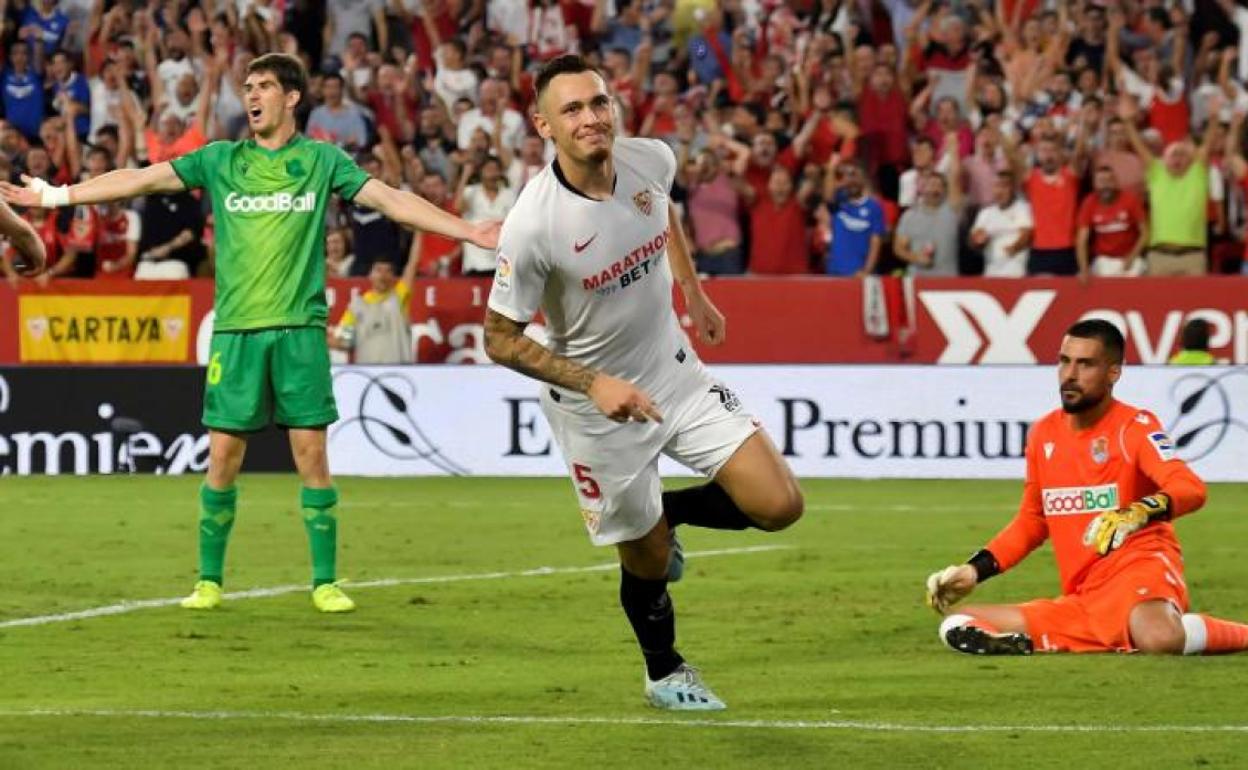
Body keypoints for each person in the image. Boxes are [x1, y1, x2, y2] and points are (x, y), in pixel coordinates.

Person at [0, 53, 499, 613]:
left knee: (312, 456)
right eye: (248, 86)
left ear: (292, 97)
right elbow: (139, 178)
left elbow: (391, 201)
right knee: (222, 459)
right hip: (236, 332)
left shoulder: (320, 160)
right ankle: (208, 582)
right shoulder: (221, 159)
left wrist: (467, 231)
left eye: (264, 86)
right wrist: (57, 196)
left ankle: (325, 583)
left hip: (300, 330)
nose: (253, 95)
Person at [484, 54, 803, 711]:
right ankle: (665, 672)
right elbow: (500, 338)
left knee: (779, 505)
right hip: (596, 412)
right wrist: (593, 383)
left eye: (598, 102)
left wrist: (693, 291)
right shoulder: (534, 225)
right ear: (544, 126)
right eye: (572, 109)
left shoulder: (650, 158)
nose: (591, 118)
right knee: (648, 562)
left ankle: (668, 514)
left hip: (673, 372)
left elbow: (662, 214)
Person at [926, 320, 1248, 656]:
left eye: (1086, 364)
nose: (1070, 374)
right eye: (1065, 361)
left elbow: (1190, 487)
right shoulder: (1043, 434)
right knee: (959, 621)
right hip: (1083, 593)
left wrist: (1140, 511)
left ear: (1113, 373)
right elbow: (1033, 520)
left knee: (1159, 638)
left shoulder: (1134, 427)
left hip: (1139, 569)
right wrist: (973, 571)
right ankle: (1035, 642)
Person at [331, 255, 416, 364]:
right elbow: (343, 340)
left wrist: (418, 242)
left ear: (393, 277)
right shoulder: (357, 307)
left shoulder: (399, 297)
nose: (383, 275)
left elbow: (412, 264)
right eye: (378, 270)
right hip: (368, 372)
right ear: (370, 275)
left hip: (398, 371)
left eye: (388, 271)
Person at [1075, 165, 1149, 277]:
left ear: (1116, 183)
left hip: (1129, 257)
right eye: (1101, 181)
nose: (1106, 185)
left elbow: (1145, 233)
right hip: (1103, 259)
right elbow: (1081, 240)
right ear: (1094, 184)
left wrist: (1132, 256)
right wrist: (1084, 269)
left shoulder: (1130, 200)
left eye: (1109, 181)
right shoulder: (1089, 203)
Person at [970, 170, 1033, 277]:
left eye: (1004, 186)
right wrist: (978, 241)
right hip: (991, 272)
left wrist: (1015, 247)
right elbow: (973, 241)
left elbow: (1026, 235)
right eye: (997, 186)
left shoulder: (1023, 208)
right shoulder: (985, 213)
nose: (1000, 191)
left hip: (1016, 272)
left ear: (1013, 188)